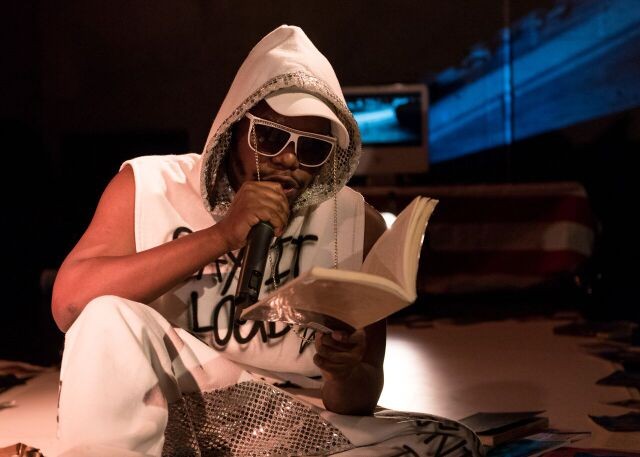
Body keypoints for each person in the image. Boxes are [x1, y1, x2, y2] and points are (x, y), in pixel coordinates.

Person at [52, 25, 482, 456]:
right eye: (271, 137)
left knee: (453, 443)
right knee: (107, 313)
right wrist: (221, 235)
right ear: (234, 127)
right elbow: (71, 303)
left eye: (312, 148)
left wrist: (343, 371)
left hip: (296, 425)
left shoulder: (354, 222)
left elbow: (357, 399)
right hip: (172, 407)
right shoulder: (148, 185)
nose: (289, 159)